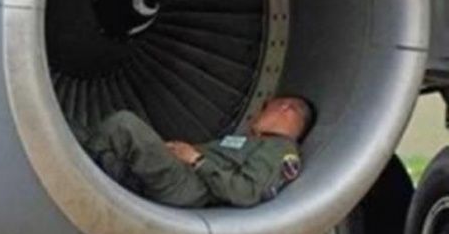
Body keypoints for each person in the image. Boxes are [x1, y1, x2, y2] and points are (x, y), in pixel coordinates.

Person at [73, 96, 315, 208]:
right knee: (72, 130)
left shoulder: (280, 152)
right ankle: (99, 163)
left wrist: (196, 160)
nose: (258, 113)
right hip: (182, 172)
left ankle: (81, 173)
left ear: (287, 110)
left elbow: (246, 192)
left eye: (266, 107)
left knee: (125, 125)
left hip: (191, 186)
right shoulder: (256, 141)